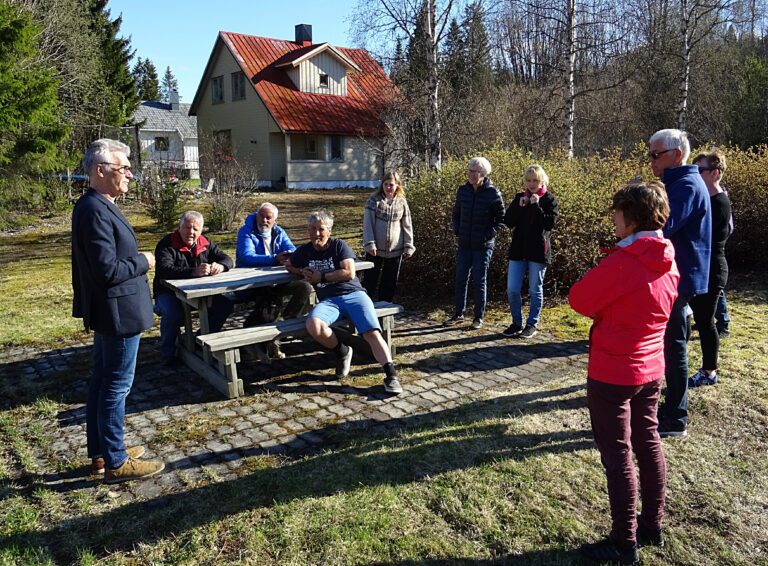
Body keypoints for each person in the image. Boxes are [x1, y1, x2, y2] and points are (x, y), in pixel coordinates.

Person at [570, 182, 679, 564]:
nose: (613, 218)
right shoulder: (667, 259)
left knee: (617, 454)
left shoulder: (624, 261)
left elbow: (579, 298)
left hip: (614, 370)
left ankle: (623, 540)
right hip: (651, 368)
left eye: (617, 212)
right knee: (647, 443)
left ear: (631, 218)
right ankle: (652, 525)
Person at [71, 138, 164, 483]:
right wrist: (144, 261)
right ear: (100, 170)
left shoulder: (97, 204)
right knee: (116, 386)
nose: (129, 174)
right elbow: (106, 270)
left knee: (102, 381)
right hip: (117, 313)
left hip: (113, 310)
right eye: (123, 168)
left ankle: (101, 453)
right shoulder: (94, 209)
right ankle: (115, 460)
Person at [285, 210, 403, 394]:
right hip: (329, 301)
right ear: (308, 230)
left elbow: (349, 272)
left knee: (371, 332)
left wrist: (321, 276)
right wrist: (301, 272)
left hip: (354, 295)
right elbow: (289, 264)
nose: (317, 233)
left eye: (321, 229)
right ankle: (342, 351)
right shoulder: (304, 251)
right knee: (313, 325)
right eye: (313, 229)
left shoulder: (339, 246)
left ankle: (391, 375)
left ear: (329, 231)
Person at [648, 128, 711, 438]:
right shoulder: (677, 182)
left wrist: (638, 206)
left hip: (679, 277)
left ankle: (676, 417)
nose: (650, 161)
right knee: (671, 343)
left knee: (673, 347)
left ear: (676, 154)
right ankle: (671, 403)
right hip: (678, 275)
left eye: (655, 155)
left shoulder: (684, 185)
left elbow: (665, 225)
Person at [153, 211, 234, 365]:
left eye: (195, 229)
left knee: (225, 305)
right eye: (187, 228)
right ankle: (167, 353)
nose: (191, 232)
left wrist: (221, 266)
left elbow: (227, 259)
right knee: (174, 313)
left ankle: (200, 339)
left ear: (201, 230)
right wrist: (193, 272)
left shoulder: (205, 243)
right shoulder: (166, 244)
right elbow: (164, 270)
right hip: (167, 292)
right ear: (179, 227)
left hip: (199, 292)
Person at [236, 202, 313, 357]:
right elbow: (247, 257)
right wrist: (274, 259)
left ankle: (284, 323)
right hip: (251, 283)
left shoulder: (278, 232)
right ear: (256, 215)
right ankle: (259, 342)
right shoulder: (246, 231)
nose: (264, 220)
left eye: (268, 218)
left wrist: (290, 256)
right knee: (270, 301)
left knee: (305, 287)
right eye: (261, 216)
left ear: (274, 220)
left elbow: (292, 248)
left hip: (276, 280)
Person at [444, 156, 505, 330]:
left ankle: (478, 317)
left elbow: (501, 220)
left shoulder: (493, 193)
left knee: (479, 280)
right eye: (469, 170)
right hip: (464, 243)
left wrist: (487, 236)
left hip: (483, 246)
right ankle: (458, 313)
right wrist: (457, 229)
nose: (470, 174)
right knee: (460, 278)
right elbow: (456, 213)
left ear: (483, 174)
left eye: (474, 171)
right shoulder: (462, 191)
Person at [688, 149, 732, 387]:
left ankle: (709, 371)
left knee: (705, 321)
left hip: (712, 269)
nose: (695, 175)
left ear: (715, 173)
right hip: (701, 267)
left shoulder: (719, 202)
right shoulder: (705, 199)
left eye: (700, 170)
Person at [502, 164, 559, 339]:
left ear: (542, 180)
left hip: (538, 252)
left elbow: (548, 224)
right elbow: (508, 221)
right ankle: (516, 323)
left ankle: (532, 324)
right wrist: (519, 207)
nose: (532, 183)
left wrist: (535, 206)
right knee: (512, 289)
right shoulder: (520, 197)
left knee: (535, 289)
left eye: (535, 180)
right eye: (528, 180)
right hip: (518, 250)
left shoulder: (549, 200)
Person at [361, 171, 416, 302]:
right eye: (385, 184)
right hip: (375, 250)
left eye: (391, 185)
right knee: (370, 280)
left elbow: (407, 225)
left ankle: (385, 308)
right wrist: (370, 244)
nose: (388, 188)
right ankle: (364, 307)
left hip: (395, 251)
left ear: (397, 185)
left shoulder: (402, 202)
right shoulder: (374, 201)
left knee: (389, 282)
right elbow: (368, 224)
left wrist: (408, 246)